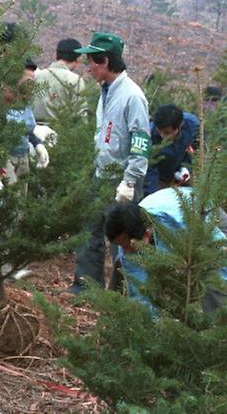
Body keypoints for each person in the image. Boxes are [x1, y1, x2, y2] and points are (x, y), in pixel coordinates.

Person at [64, 32, 150, 297]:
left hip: (122, 180)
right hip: (101, 175)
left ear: (104, 62)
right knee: (89, 231)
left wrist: (130, 179)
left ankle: (123, 294)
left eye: (91, 62)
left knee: (122, 239)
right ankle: (86, 288)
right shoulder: (106, 91)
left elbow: (140, 141)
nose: (88, 68)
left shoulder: (132, 96)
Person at [105, 187, 225, 313]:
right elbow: (140, 289)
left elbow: (220, 255)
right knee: (122, 261)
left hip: (208, 220)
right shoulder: (126, 230)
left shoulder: (172, 225)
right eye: (119, 245)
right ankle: (109, 312)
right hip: (168, 218)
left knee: (213, 282)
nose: (125, 250)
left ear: (146, 235)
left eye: (128, 246)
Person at [144, 104, 199, 196]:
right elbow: (150, 169)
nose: (162, 135)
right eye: (159, 131)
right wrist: (151, 195)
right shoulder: (149, 134)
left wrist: (187, 167)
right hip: (160, 176)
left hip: (182, 172)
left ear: (180, 126)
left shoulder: (192, 125)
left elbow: (195, 147)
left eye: (167, 132)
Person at [33, 38, 86, 123]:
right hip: (61, 132)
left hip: (33, 131)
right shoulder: (75, 80)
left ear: (56, 55)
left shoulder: (37, 76)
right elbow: (80, 113)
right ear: (78, 58)